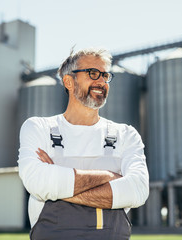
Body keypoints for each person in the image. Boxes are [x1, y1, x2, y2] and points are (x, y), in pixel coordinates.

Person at [17, 47, 149, 240]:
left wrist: (59, 189)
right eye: (93, 73)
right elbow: (37, 182)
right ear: (69, 81)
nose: (101, 81)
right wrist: (109, 176)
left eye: (105, 75)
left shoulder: (125, 134)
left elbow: (137, 189)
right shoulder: (40, 128)